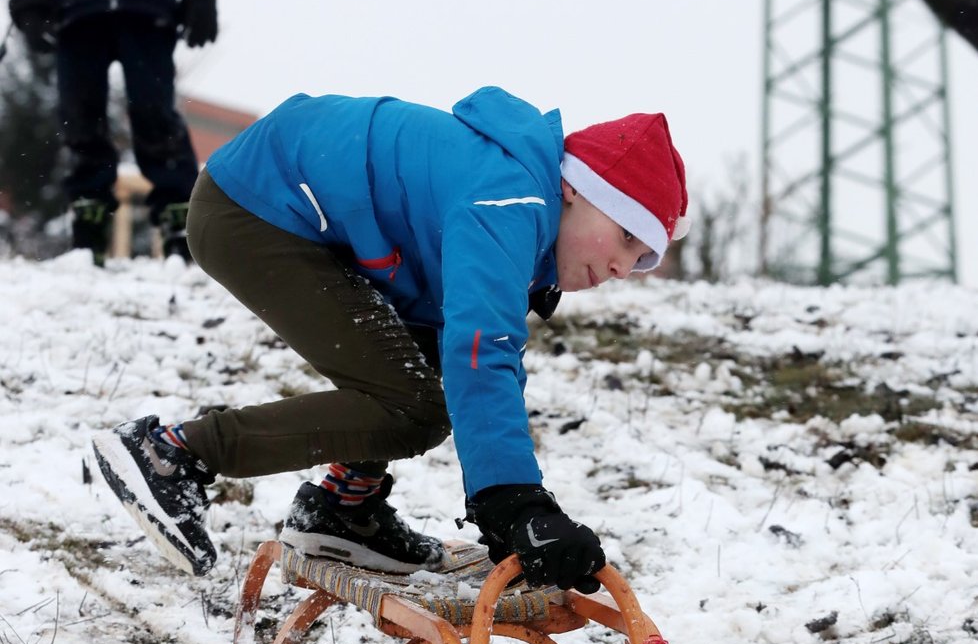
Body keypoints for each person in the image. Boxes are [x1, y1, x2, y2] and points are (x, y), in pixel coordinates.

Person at [91, 86, 689, 594]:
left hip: (283, 203)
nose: (622, 268)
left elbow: (463, 345)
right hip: (255, 207)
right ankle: (171, 453)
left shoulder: (519, 202)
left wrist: (512, 500)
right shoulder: (510, 200)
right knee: (415, 407)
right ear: (578, 191)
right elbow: (483, 355)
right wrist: (516, 503)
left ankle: (342, 511)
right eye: (625, 235)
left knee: (420, 372)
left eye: (642, 259)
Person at [8, 0, 219, 264]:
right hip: (76, 3)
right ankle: (88, 227)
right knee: (79, 117)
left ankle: (178, 225)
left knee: (156, 113)